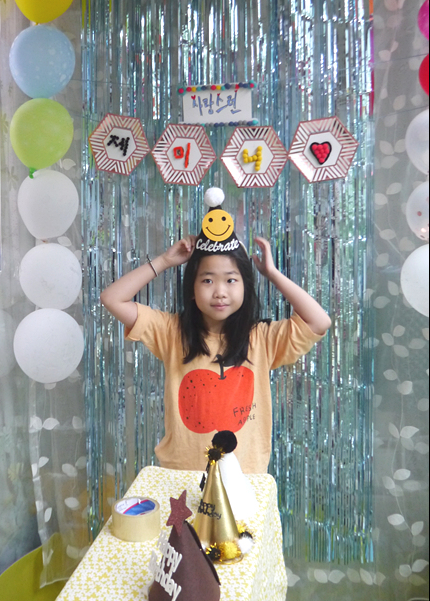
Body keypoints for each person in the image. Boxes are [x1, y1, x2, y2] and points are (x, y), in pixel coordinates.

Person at [101, 188, 331, 473]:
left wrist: (272, 274)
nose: (220, 292)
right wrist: (164, 261)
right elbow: (112, 298)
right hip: (182, 475)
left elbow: (319, 322)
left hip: (243, 477)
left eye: (231, 280)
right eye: (207, 280)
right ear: (192, 288)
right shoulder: (171, 331)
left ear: (246, 286)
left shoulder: (261, 338)